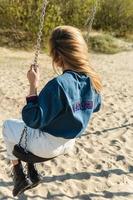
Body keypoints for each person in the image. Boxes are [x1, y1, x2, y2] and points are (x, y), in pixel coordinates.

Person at [2, 25, 102, 197]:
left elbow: (31, 119)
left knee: (7, 126)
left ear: (57, 57)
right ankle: (31, 171)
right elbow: (96, 106)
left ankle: (19, 174)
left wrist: (33, 85)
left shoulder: (59, 84)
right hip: (69, 143)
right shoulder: (91, 80)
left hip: (46, 146)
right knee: (34, 123)